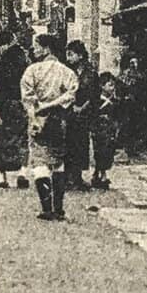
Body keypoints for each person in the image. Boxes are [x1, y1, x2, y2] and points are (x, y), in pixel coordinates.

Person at [21, 31, 79, 221]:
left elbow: (27, 97)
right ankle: (59, 208)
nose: (34, 50)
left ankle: (47, 207)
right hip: (59, 119)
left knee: (40, 161)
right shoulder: (66, 71)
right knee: (58, 161)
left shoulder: (32, 71)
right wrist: (56, 104)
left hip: (38, 117)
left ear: (46, 48)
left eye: (36, 46)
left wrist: (36, 112)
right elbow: (71, 95)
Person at [0, 30, 31, 189]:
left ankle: (2, 175)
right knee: (21, 136)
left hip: (4, 101)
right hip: (20, 100)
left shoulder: (0, 57)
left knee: (4, 137)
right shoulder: (22, 56)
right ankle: (22, 172)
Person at [62, 40, 98, 191]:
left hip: (84, 113)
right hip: (68, 111)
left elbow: (95, 94)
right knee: (67, 144)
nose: (68, 57)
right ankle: (67, 176)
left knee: (81, 144)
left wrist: (83, 107)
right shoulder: (67, 71)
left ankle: (77, 176)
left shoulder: (90, 72)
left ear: (80, 55)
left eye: (71, 54)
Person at [91, 72, 122, 190]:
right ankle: (101, 174)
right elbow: (92, 114)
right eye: (110, 85)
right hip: (99, 130)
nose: (112, 88)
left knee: (108, 151)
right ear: (102, 86)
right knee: (99, 151)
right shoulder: (96, 101)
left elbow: (118, 116)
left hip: (110, 130)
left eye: (113, 85)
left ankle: (100, 173)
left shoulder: (115, 101)